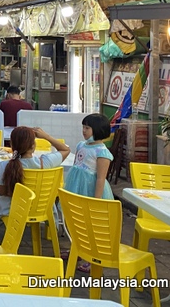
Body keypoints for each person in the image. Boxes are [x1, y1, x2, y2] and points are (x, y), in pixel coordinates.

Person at [62, 113, 113, 272]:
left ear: (97, 130)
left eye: (87, 128)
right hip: (76, 186)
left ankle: (93, 258)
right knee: (77, 221)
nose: (84, 131)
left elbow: (101, 178)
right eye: (83, 127)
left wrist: (96, 199)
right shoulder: (81, 145)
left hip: (91, 191)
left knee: (91, 225)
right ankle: (76, 249)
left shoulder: (102, 152)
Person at [0, 126, 69, 222]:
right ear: (33, 145)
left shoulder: (5, 165)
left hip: (11, 210)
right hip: (40, 210)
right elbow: (66, 150)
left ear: (12, 145)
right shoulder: (45, 163)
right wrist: (46, 136)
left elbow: (1, 191)